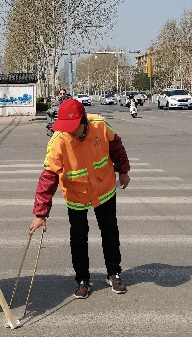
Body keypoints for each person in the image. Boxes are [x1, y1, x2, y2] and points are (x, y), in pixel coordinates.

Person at [29, 98, 131, 298]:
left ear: (83, 120)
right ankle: (82, 279)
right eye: (65, 127)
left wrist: (123, 171)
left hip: (105, 189)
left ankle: (114, 273)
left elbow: (116, 146)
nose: (70, 131)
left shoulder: (100, 125)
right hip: (76, 194)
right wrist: (40, 213)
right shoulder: (58, 140)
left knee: (110, 232)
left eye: (73, 126)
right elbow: (48, 177)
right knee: (78, 238)